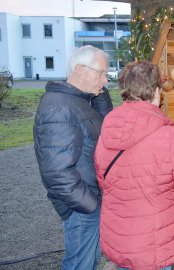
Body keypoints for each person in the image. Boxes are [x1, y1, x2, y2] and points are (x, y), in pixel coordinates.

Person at [94, 61, 174, 270]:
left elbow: (102, 177)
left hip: (118, 231)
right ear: (156, 91)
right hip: (154, 238)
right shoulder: (169, 135)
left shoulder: (109, 125)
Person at [33, 45, 113, 270]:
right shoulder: (59, 107)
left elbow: (107, 128)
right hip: (82, 207)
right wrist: (90, 205)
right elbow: (57, 172)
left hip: (90, 200)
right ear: (79, 69)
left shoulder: (80, 101)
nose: (106, 80)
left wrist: (99, 93)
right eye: (101, 73)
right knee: (80, 264)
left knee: (90, 261)